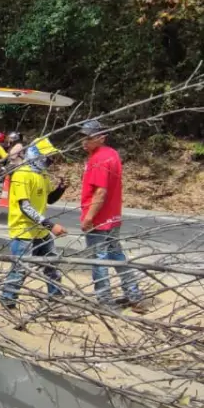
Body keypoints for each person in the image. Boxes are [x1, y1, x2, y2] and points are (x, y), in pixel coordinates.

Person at [78, 119, 142, 309]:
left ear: (100, 138)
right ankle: (133, 294)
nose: (84, 141)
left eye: (88, 138)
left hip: (99, 220)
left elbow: (101, 191)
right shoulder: (112, 154)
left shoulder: (98, 159)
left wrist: (89, 217)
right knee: (117, 256)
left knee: (99, 260)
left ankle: (104, 301)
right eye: (83, 137)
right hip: (113, 218)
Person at [0, 138, 67, 309]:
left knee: (51, 265)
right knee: (20, 269)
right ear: (35, 155)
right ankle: (8, 300)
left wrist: (60, 188)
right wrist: (52, 226)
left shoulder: (41, 174)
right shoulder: (21, 174)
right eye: (47, 157)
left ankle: (56, 298)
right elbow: (25, 207)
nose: (50, 161)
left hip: (40, 231)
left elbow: (49, 199)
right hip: (23, 231)